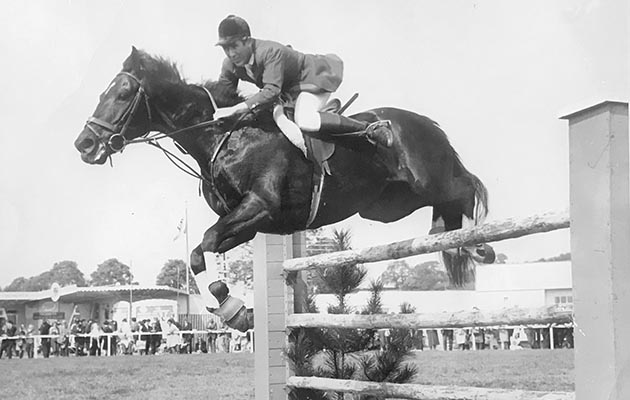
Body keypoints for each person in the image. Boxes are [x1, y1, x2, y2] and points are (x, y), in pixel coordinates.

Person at [213, 15, 394, 154]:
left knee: (306, 121)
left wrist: (237, 108)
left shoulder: (270, 51)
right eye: (225, 48)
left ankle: (370, 129)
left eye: (234, 46)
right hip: (287, 94)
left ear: (247, 40)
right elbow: (222, 94)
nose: (230, 53)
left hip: (310, 80)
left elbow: (271, 91)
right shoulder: (229, 65)